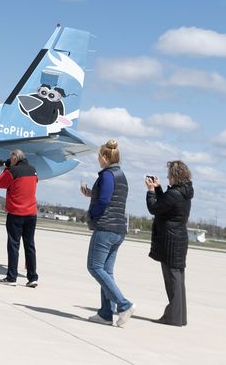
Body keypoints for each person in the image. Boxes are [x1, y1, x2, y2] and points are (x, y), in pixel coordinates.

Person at [80, 139, 134, 327]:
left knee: (94, 267)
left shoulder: (108, 175)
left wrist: (92, 214)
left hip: (106, 228)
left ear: (104, 157)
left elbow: (104, 201)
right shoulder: (121, 175)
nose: (98, 159)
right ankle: (105, 313)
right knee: (106, 272)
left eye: (98, 156)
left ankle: (124, 304)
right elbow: (110, 198)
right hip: (118, 228)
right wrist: (90, 194)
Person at [146, 160, 193, 326]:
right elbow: (164, 205)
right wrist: (158, 189)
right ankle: (179, 317)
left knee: (172, 280)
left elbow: (155, 208)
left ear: (175, 176)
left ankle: (173, 317)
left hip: (170, 240)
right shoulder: (183, 192)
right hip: (179, 238)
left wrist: (151, 191)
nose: (167, 177)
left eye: (169, 175)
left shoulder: (175, 194)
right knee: (178, 280)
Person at [0, 149, 39, 287]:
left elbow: (0, 183)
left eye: (10, 158)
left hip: (16, 213)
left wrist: (7, 168)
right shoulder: (33, 170)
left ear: (14, 158)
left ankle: (12, 277)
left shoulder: (13, 171)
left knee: (14, 245)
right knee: (30, 245)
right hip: (31, 214)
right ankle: (32, 277)